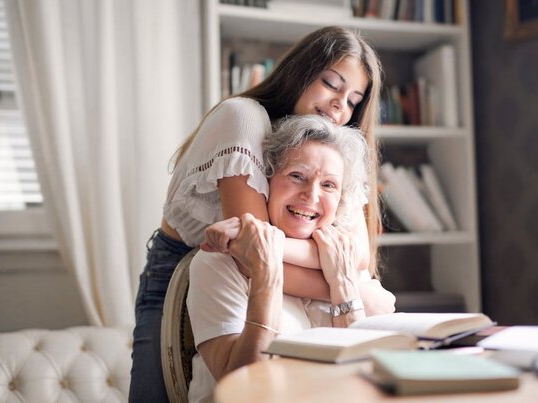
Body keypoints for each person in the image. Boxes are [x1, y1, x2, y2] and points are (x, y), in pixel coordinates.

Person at [129, 26, 395, 403]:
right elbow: (257, 254)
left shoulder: (329, 148)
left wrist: (348, 274)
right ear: (299, 73)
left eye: (354, 100)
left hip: (258, 271)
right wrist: (349, 284)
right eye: (331, 84)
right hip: (184, 270)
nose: (340, 106)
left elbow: (358, 254)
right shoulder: (243, 117)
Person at [188, 115, 373, 402]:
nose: (311, 195)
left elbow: (362, 376)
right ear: (268, 181)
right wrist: (266, 272)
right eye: (297, 176)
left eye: (328, 185)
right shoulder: (219, 263)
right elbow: (244, 386)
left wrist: (344, 283)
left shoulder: (341, 261)